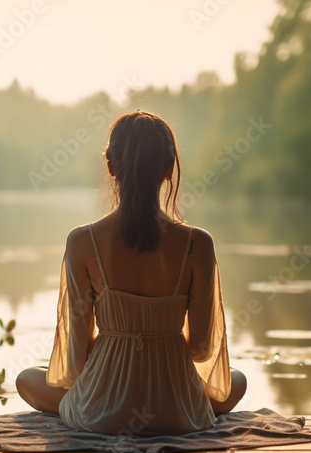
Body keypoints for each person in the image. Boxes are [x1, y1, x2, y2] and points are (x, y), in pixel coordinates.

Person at [16, 110, 246, 435]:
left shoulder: (83, 241)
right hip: (177, 413)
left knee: (26, 379)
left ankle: (104, 407)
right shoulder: (199, 244)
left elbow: (76, 356)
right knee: (236, 380)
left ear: (111, 166)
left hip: (103, 414)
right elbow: (202, 350)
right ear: (168, 169)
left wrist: (116, 347)